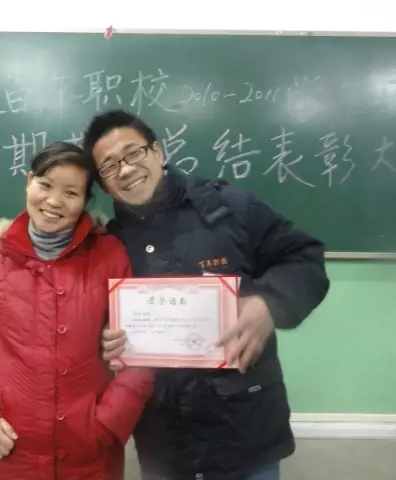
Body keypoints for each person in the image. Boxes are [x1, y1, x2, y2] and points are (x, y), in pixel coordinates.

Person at [82, 110, 331, 480]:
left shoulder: (231, 208)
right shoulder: (109, 244)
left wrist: (269, 303)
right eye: (110, 165)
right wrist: (107, 342)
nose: (126, 169)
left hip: (246, 428)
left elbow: (304, 258)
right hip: (164, 440)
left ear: (158, 151)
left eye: (133, 153)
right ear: (103, 185)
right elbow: (94, 321)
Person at [0, 141, 155, 480]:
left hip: (90, 452)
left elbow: (142, 350)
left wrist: (108, 422)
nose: (54, 201)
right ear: (29, 181)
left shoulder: (111, 256)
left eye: (71, 193)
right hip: (13, 448)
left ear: (86, 201)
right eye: (45, 185)